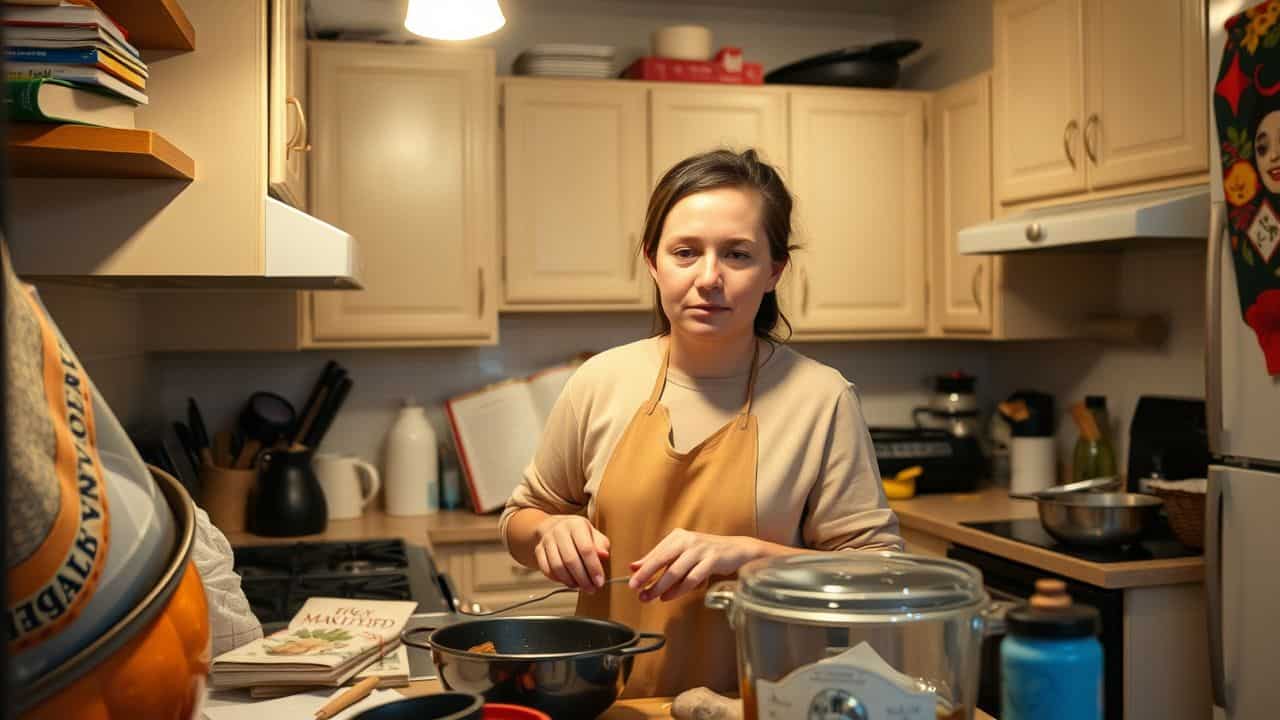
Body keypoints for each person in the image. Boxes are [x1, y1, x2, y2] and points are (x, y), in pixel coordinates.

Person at [501, 148, 902, 699]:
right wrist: (548, 530)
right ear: (652, 262)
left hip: (761, 706)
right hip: (611, 706)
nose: (708, 278)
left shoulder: (822, 399)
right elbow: (520, 520)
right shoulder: (600, 381)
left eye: (737, 255)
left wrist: (750, 555)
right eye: (685, 252)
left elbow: (881, 577)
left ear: (774, 270)